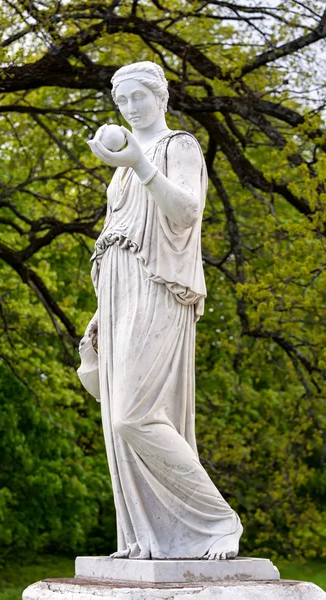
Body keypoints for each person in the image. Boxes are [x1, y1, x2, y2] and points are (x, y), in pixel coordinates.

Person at [80, 61, 243, 560]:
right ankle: (147, 537)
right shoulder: (125, 161)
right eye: (122, 100)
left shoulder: (180, 147)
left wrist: (138, 164)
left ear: (161, 97)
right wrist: (97, 313)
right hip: (118, 288)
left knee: (134, 415)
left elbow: (187, 211)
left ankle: (219, 521)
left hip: (159, 286)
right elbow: (116, 232)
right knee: (117, 420)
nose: (130, 109)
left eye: (138, 98)